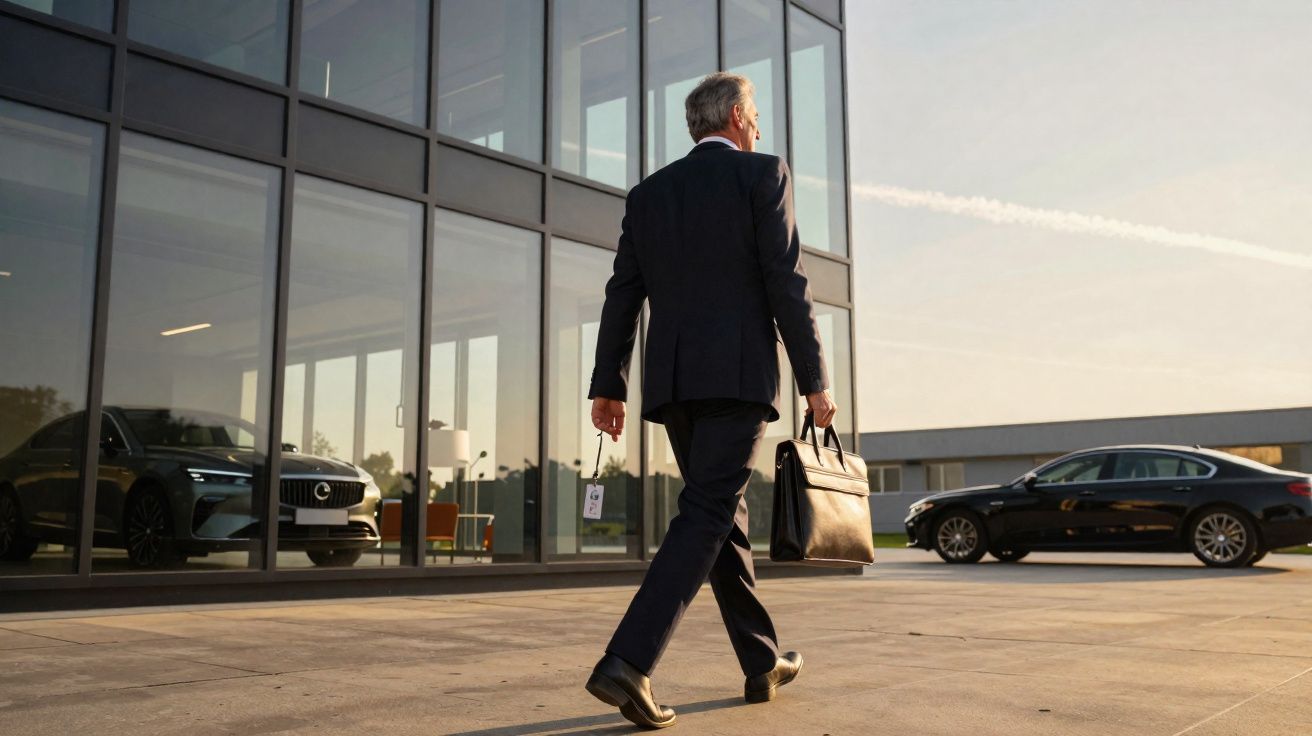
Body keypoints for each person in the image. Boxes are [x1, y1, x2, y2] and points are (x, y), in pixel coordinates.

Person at [583, 71, 837, 729]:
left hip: (673, 386)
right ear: (735, 118)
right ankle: (628, 663)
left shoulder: (649, 195)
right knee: (706, 512)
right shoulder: (762, 175)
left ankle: (761, 661)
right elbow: (787, 282)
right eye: (754, 116)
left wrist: (608, 381)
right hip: (737, 377)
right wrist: (815, 379)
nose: (757, 127)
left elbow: (622, 293)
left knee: (722, 514)